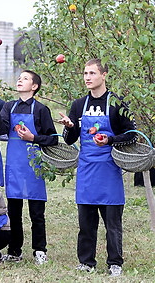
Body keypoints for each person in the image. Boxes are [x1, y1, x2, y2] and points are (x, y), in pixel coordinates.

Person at [59, 59, 136, 277]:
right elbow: (69, 139)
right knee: (86, 223)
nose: (87, 77)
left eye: (92, 73)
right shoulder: (78, 105)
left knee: (112, 223)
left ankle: (115, 263)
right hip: (86, 169)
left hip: (109, 170)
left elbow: (131, 134)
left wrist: (110, 140)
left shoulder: (116, 104)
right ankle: (86, 262)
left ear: (104, 75)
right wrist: (70, 128)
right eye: (85, 73)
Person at [0, 70, 58, 264]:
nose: (19, 80)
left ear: (34, 86)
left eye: (25, 79)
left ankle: (39, 250)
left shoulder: (41, 110)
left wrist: (33, 138)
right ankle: (15, 250)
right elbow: (1, 129)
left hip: (34, 167)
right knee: (14, 212)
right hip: (15, 166)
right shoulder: (9, 106)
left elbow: (52, 139)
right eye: (19, 78)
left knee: (36, 213)